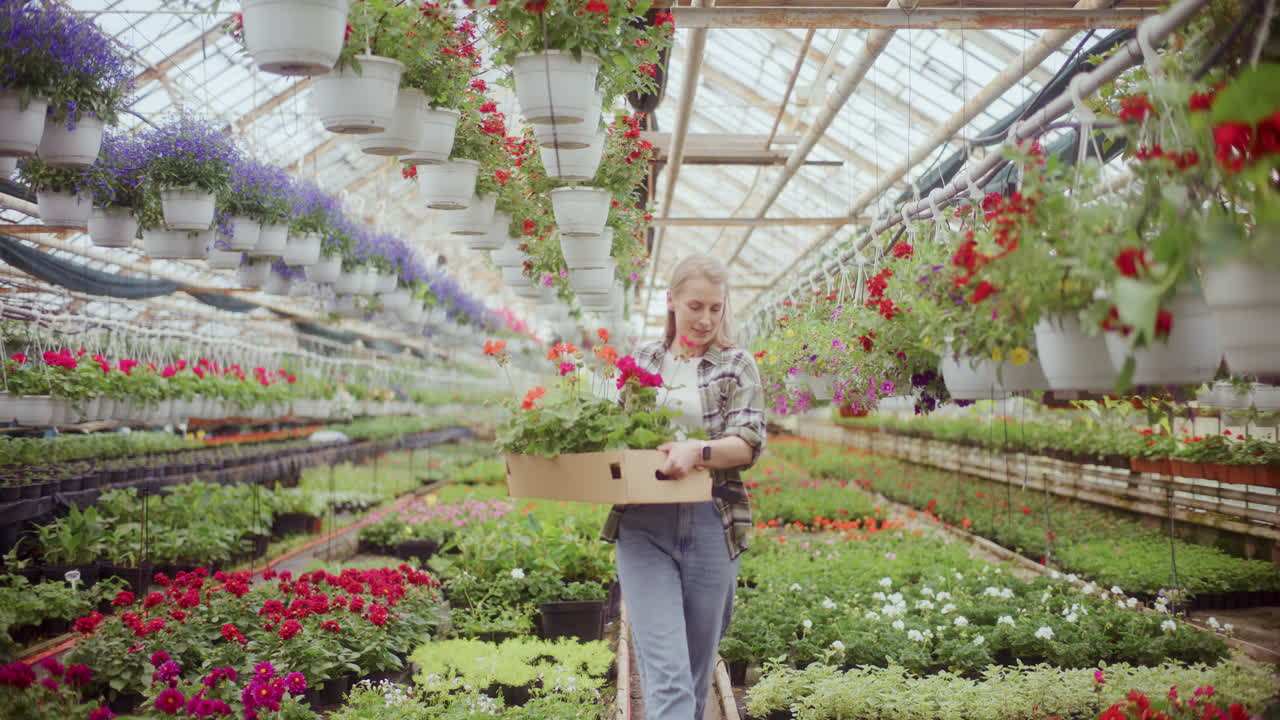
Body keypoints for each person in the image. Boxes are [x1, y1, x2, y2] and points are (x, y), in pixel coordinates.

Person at [599, 253, 766, 720]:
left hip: (714, 525)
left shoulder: (737, 364)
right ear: (671, 302)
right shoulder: (643, 362)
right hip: (643, 526)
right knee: (668, 678)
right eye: (696, 306)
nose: (706, 319)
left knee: (691, 681)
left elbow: (749, 443)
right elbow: (617, 436)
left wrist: (698, 451)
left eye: (716, 308)